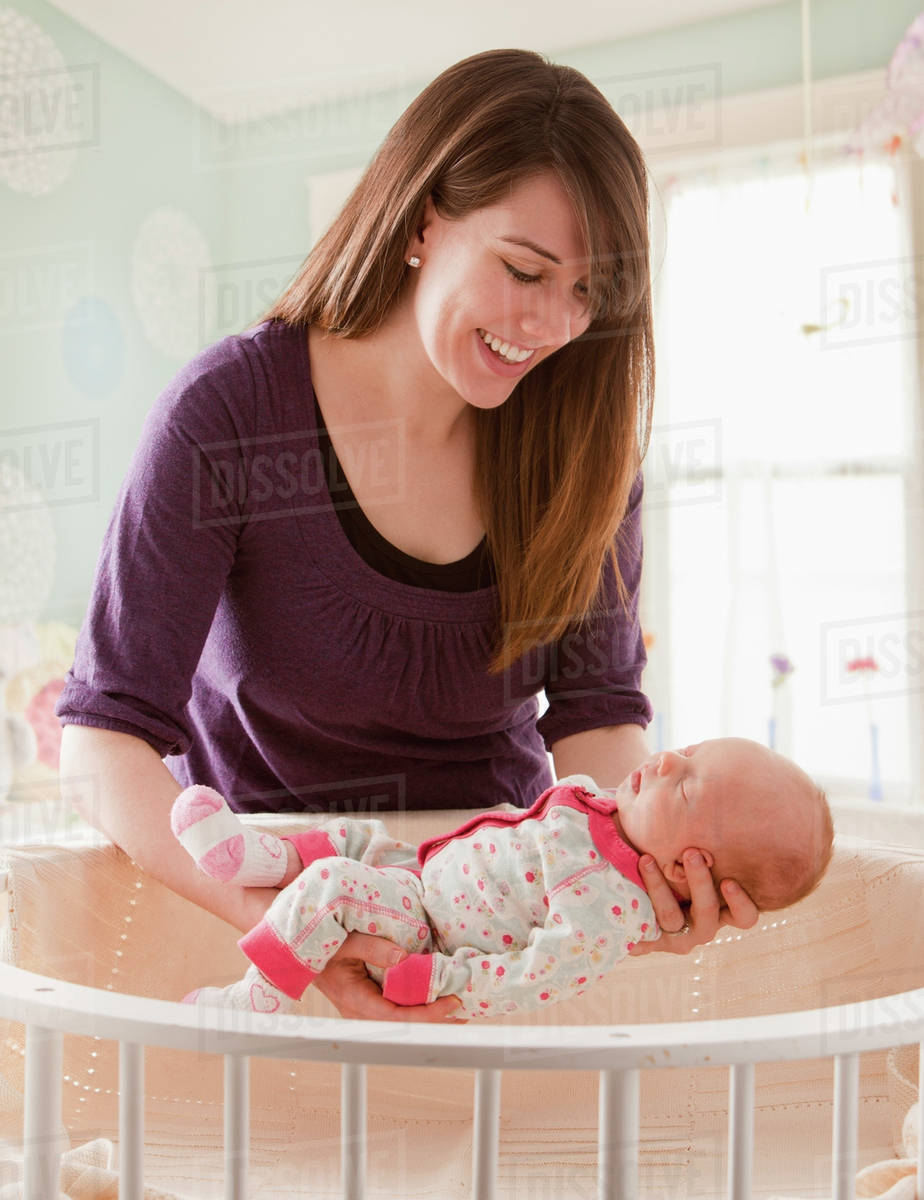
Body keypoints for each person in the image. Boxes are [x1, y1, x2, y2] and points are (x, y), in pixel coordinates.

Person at [55, 48, 760, 1024]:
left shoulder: (584, 453)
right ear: (425, 218)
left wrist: (641, 866)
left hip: (490, 927)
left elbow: (596, 714)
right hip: (264, 922)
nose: (553, 325)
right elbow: (102, 738)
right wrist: (288, 924)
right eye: (524, 270)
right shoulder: (228, 416)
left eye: (590, 294)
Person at [172, 738, 833, 1018]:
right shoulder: (610, 809)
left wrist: (444, 982)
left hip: (424, 929)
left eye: (686, 787)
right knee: (352, 838)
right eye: (685, 753)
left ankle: (253, 1003)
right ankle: (253, 858)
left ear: (696, 869)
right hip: (420, 867)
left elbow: (537, 976)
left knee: (339, 882)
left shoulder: (607, 904)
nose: (661, 761)